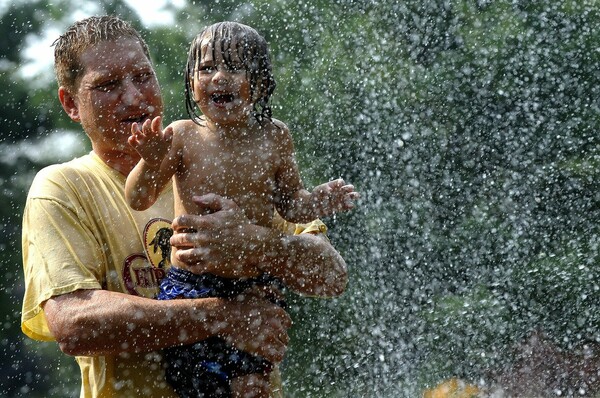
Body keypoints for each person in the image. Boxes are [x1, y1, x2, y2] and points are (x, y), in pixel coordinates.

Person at [20, 15, 348, 398]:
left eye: (142, 77)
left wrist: (256, 242)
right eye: (108, 85)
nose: (133, 97)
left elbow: (330, 277)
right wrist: (223, 316)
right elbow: (75, 325)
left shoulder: (238, 157)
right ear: (70, 104)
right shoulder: (63, 188)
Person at [124, 21, 358, 397]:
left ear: (261, 83)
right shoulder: (184, 136)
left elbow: (291, 205)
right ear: (190, 82)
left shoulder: (275, 137)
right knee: (194, 382)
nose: (219, 77)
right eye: (206, 68)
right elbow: (138, 199)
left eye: (234, 67)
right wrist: (150, 162)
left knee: (252, 386)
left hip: (254, 290)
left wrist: (318, 201)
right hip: (191, 289)